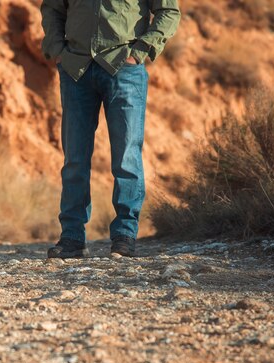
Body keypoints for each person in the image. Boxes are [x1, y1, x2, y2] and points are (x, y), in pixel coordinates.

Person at [41, 0, 181, 258]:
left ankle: (124, 236)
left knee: (127, 156)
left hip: (123, 68)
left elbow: (168, 12)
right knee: (75, 158)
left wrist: (140, 51)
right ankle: (72, 238)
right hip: (76, 69)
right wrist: (58, 50)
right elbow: (52, 8)